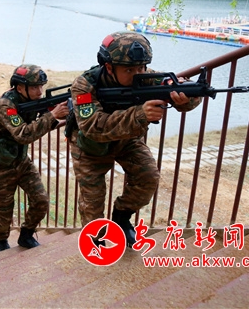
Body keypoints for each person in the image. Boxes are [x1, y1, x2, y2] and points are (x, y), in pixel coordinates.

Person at [67, 31, 201, 246]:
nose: (137, 74)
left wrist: (185, 96)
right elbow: (92, 126)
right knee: (92, 202)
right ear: (109, 67)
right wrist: (140, 114)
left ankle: (121, 217)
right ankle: (95, 242)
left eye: (141, 68)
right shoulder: (84, 85)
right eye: (129, 70)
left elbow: (183, 90)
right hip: (90, 147)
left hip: (126, 141)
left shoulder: (147, 77)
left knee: (147, 178)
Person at [0, 64, 69, 251]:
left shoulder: (30, 101)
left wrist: (62, 119)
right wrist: (52, 115)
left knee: (41, 200)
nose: (40, 91)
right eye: (35, 87)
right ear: (20, 87)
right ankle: (1, 241)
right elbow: (23, 134)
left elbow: (43, 123)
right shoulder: (5, 105)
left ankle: (26, 235)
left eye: (41, 86)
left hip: (21, 161)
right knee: (4, 209)